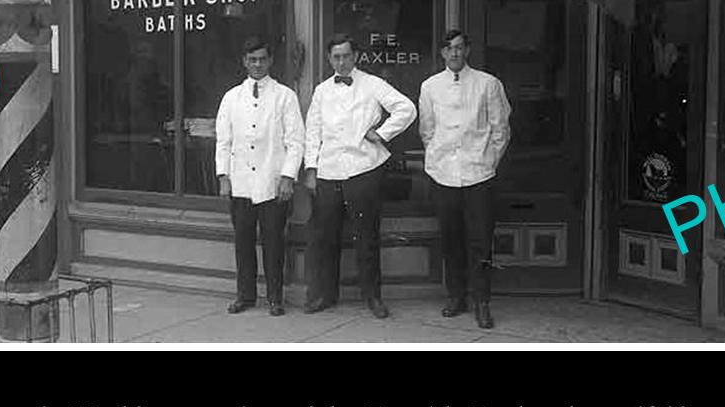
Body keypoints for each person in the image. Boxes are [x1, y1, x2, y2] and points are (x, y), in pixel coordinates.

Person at [303, 33, 417, 319]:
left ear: (356, 57)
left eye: (346, 56)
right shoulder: (321, 91)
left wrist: (381, 134)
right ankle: (326, 296)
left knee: (366, 236)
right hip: (329, 171)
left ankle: (373, 297)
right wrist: (311, 170)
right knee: (325, 236)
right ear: (329, 58)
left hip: (364, 169)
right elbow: (312, 132)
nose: (341, 61)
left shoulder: (372, 84)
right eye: (336, 56)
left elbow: (407, 108)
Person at [418, 29, 512, 329]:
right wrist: (439, 158)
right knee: (451, 238)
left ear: (467, 50)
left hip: (478, 175)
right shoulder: (430, 86)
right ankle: (456, 296)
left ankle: (482, 301)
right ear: (442, 54)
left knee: (480, 241)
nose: (454, 53)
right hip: (444, 174)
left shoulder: (487, 84)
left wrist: (487, 161)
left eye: (459, 48)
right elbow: (427, 130)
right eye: (449, 49)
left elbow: (501, 130)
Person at [215, 36, 305, 316]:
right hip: (240, 182)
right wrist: (223, 177)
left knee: (273, 243)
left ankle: (275, 298)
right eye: (252, 60)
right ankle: (246, 295)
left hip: (272, 183)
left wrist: (288, 177)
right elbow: (223, 141)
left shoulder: (285, 96)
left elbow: (296, 141)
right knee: (243, 242)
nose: (257, 64)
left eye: (262, 59)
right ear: (244, 62)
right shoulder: (231, 97)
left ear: (270, 61)